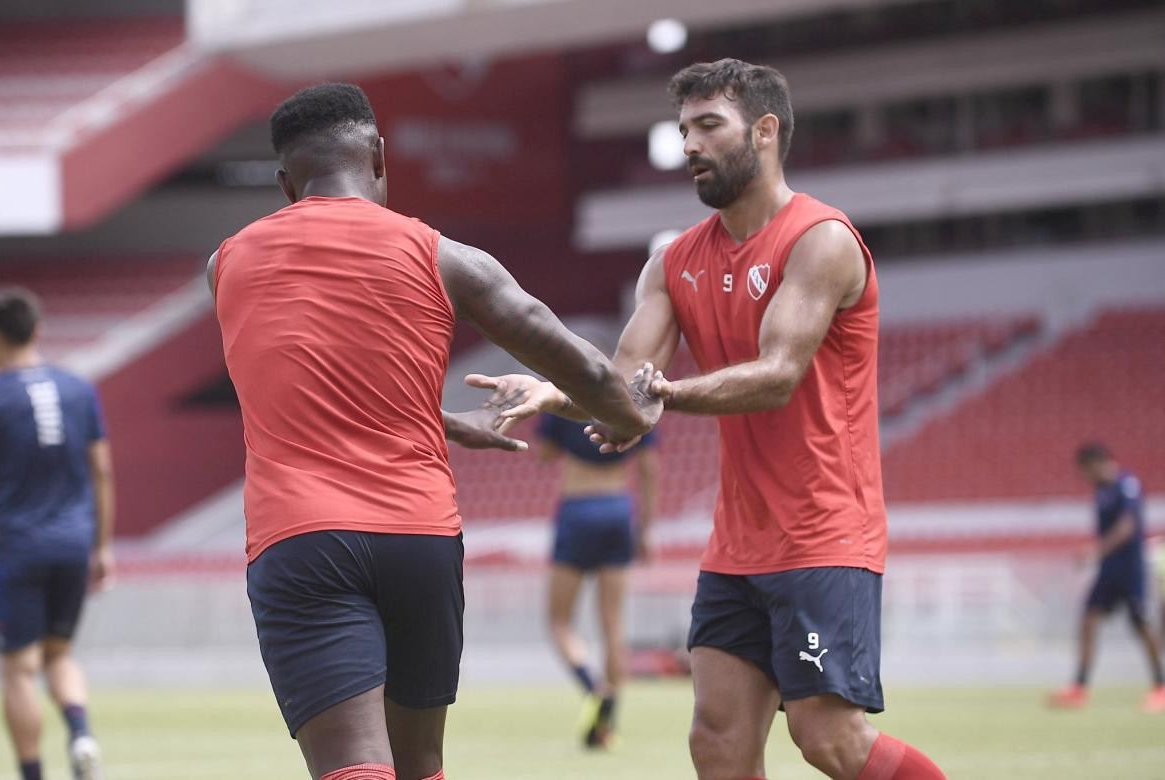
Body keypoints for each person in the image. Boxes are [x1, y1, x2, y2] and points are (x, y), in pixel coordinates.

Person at [473, 59, 946, 779]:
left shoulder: (821, 240)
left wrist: (661, 395)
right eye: (683, 128)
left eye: (707, 126)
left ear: (764, 131)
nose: (689, 144)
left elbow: (776, 376)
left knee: (829, 741)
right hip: (736, 545)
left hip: (824, 532)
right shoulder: (674, 264)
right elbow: (628, 390)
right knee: (717, 743)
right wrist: (551, 392)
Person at [208, 83, 658, 780]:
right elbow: (568, 354)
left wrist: (437, 421)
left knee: (353, 764)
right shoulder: (446, 258)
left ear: (285, 183)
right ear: (381, 159)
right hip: (419, 536)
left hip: (302, 537)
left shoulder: (227, 263)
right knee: (421, 767)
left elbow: (306, 388)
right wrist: (629, 417)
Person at [0, 287, 114, 780]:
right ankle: (81, 733)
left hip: (14, 547)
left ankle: (31, 773)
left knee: (19, 668)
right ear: (38, 330)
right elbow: (102, 471)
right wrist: (102, 545)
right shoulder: (77, 388)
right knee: (59, 654)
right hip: (73, 542)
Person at [537, 412, 657, 747]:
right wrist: (646, 529)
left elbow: (543, 455)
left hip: (577, 507)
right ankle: (607, 725)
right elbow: (649, 469)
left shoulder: (564, 401)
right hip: (618, 506)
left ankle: (593, 687)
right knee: (613, 623)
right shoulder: (627, 404)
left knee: (559, 620)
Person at [1049, 443, 1165, 713]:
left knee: (1140, 624)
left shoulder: (1127, 484)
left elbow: (1128, 526)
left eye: (1085, 471)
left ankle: (1160, 685)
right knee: (1088, 618)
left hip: (1129, 567)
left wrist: (1096, 550)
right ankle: (1079, 687)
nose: (1085, 478)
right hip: (1108, 569)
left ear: (1096, 464)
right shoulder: (1102, 491)